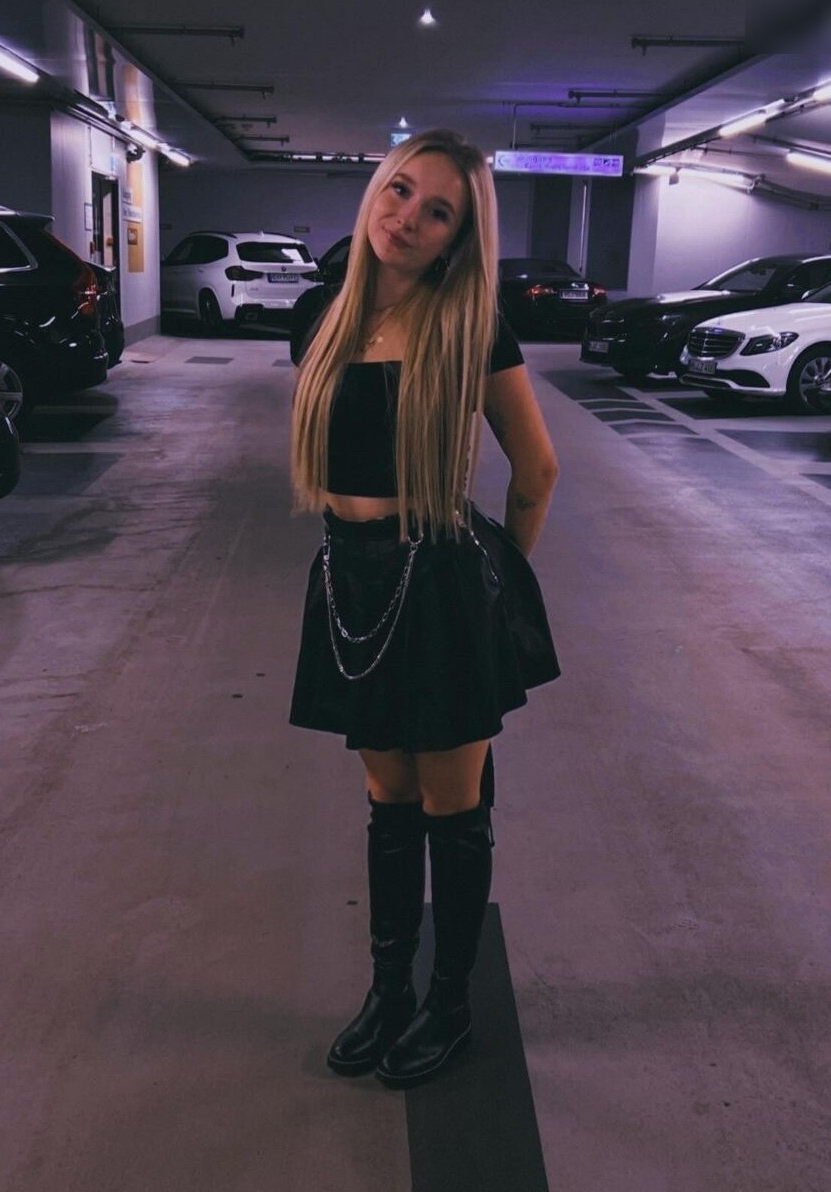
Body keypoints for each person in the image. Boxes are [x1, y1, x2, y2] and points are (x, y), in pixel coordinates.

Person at [288, 128, 560, 1089]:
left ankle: (451, 1006)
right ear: (377, 189)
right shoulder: (319, 315)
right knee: (387, 801)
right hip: (348, 578)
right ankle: (389, 990)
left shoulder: (470, 327)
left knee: (453, 807)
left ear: (457, 238)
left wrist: (494, 587)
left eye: (437, 211)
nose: (407, 218)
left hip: (438, 580)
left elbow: (536, 471)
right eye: (400, 191)